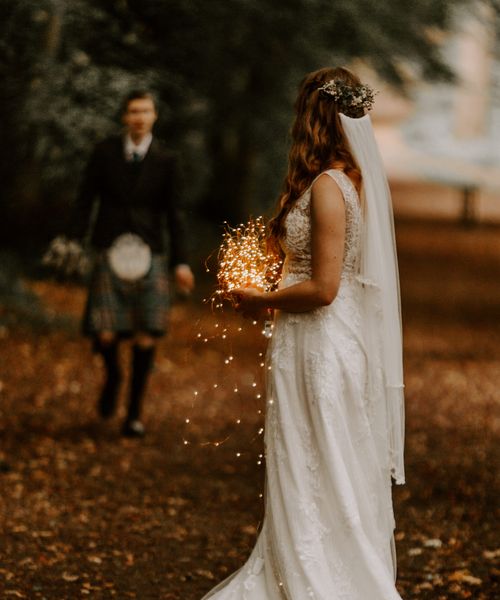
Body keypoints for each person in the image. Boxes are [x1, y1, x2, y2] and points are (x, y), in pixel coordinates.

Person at [202, 67, 405, 599]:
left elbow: (324, 287)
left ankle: (316, 580)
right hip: (315, 340)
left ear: (314, 118)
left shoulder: (328, 188)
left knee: (322, 459)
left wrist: (261, 299)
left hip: (320, 342)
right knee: (314, 456)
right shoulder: (347, 181)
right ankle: (297, 561)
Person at [67, 90, 195, 437]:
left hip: (150, 251)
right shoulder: (104, 153)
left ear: (154, 116)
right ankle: (114, 376)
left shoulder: (167, 159)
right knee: (105, 333)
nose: (139, 116)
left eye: (146, 110)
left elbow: (175, 214)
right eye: (133, 111)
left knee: (146, 335)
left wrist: (181, 262)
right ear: (125, 116)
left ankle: (134, 413)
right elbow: (85, 199)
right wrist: (74, 241)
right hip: (109, 248)